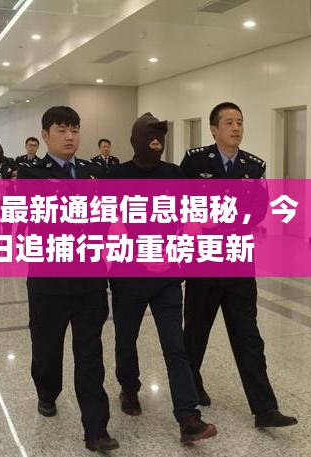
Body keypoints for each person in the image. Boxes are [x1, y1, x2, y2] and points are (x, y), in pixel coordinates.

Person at [180, 102, 298, 428]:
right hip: (203, 261)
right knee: (195, 333)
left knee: (248, 336)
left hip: (238, 260)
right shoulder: (195, 161)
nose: (236, 128)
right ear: (214, 129)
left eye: (240, 122)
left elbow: (259, 210)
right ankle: (190, 391)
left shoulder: (253, 166)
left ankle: (264, 409)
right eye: (229, 123)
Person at [107, 113, 217, 445]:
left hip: (168, 276)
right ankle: (129, 388)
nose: (156, 143)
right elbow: (110, 225)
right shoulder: (117, 176)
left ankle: (188, 417)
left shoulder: (174, 174)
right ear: (135, 141)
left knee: (175, 345)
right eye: (150, 138)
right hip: (129, 276)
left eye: (160, 139)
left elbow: (190, 218)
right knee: (126, 338)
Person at [17, 106, 119, 452]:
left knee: (90, 355)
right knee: (47, 347)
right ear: (45, 135)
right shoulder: (30, 174)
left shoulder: (94, 172)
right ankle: (47, 392)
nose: (70, 136)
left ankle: (96, 428)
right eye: (61, 130)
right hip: (48, 282)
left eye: (74, 129)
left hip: (90, 281)